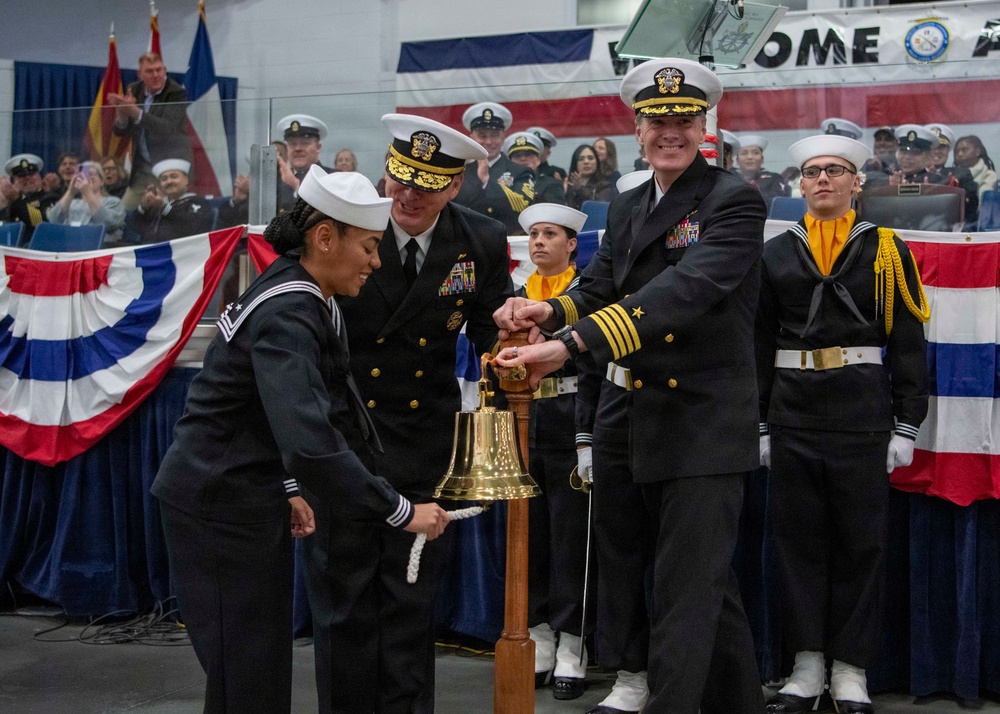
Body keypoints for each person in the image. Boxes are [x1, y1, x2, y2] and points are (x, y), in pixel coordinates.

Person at [493, 57, 767, 714]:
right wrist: (547, 311)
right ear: (637, 128)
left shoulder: (734, 199)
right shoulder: (626, 202)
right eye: (657, 120)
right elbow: (598, 283)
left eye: (684, 119)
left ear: (703, 126)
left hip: (700, 420)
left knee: (685, 590)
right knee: (696, 587)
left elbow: (681, 293)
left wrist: (572, 343)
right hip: (629, 415)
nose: (670, 131)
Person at [151, 166, 451, 714]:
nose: (376, 262)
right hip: (219, 506)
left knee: (253, 668)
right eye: (368, 247)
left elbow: (267, 412)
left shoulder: (304, 294)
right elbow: (312, 439)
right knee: (249, 676)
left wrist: (289, 483)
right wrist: (400, 510)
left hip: (239, 493)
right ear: (325, 237)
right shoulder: (291, 312)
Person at [304, 113, 514, 714]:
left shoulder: (479, 239)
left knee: (410, 602)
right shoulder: (345, 229)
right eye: (401, 179)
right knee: (343, 603)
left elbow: (488, 335)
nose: (409, 196)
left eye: (428, 184)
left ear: (454, 186)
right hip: (346, 442)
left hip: (426, 444)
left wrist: (514, 343)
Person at [756, 133, 929, 714]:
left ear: (858, 182)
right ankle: (806, 666)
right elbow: (755, 347)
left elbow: (908, 342)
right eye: (811, 171)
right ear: (799, 185)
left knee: (860, 544)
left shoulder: (885, 249)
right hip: (793, 412)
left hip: (859, 413)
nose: (822, 179)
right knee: (797, 542)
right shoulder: (775, 252)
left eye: (835, 170)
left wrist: (907, 424)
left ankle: (851, 668)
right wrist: (759, 424)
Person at [515, 203, 592, 701]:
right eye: (534, 234)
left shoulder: (585, 297)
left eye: (551, 234)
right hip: (527, 423)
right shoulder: (518, 299)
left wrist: (589, 437)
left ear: (572, 246)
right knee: (531, 537)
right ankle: (539, 631)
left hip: (571, 421)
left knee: (571, 539)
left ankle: (573, 642)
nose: (540, 242)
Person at [109, 52, 190, 211]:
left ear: (165, 70)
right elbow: (120, 131)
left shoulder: (176, 93)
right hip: (143, 170)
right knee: (124, 214)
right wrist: (122, 113)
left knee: (165, 214)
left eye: (159, 70)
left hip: (169, 169)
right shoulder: (134, 90)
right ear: (140, 74)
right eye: (149, 71)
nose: (155, 75)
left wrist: (135, 112)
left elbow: (168, 128)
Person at [454, 101, 534, 234]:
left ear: (503, 137)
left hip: (505, 239)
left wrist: (486, 181)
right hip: (465, 239)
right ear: (472, 137)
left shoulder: (520, 171)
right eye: (482, 136)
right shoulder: (459, 169)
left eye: (495, 135)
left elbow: (523, 206)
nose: (489, 141)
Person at [126, 159, 214, 244]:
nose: (169, 181)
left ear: (186, 180)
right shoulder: (156, 204)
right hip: (151, 252)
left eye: (174, 176)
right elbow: (135, 227)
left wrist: (165, 207)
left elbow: (192, 227)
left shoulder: (198, 202)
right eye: (164, 179)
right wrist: (143, 206)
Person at [46, 160, 126, 242]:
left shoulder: (114, 202)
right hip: (70, 249)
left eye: (91, 174)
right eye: (82, 175)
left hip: (100, 249)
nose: (86, 178)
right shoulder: (72, 203)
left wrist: (88, 192)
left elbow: (110, 224)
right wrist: (71, 192)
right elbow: (53, 220)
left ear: (102, 181)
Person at [275, 114, 333, 213]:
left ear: (318, 147)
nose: (298, 148)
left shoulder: (333, 179)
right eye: (293, 143)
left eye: (305, 143)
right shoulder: (278, 184)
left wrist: (296, 186)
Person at [926, 123, 979, 225]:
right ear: (924, 151)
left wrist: (953, 190)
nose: (937, 151)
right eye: (932, 147)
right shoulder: (910, 174)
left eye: (941, 147)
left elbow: (972, 206)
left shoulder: (961, 174)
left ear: (948, 150)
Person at [2, 154, 59, 245]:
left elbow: (40, 223)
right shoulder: (11, 202)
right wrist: (5, 203)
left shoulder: (49, 198)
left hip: (36, 252)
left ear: (39, 176)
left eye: (31, 174)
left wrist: (16, 199)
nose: (27, 178)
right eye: (21, 175)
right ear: (14, 180)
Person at [503, 131, 567, 205]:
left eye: (528, 154)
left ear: (538, 160)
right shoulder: (501, 185)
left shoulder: (552, 184)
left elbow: (553, 211)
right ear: (510, 162)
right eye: (517, 156)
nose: (523, 159)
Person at [736, 134, 788, 209]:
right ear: (737, 160)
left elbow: (777, 204)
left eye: (755, 153)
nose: (750, 157)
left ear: (762, 159)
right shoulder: (730, 178)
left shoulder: (774, 178)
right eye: (744, 153)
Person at [565, 144, 617, 210]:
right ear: (575, 163)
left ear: (597, 162)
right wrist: (564, 192)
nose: (586, 162)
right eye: (581, 159)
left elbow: (598, 210)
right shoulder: (567, 184)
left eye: (590, 158)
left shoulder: (606, 186)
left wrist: (580, 189)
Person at [954, 134, 997, 201]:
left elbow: (982, 201)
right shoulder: (952, 175)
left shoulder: (988, 175)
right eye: (957, 151)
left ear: (977, 152)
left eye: (964, 150)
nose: (960, 154)